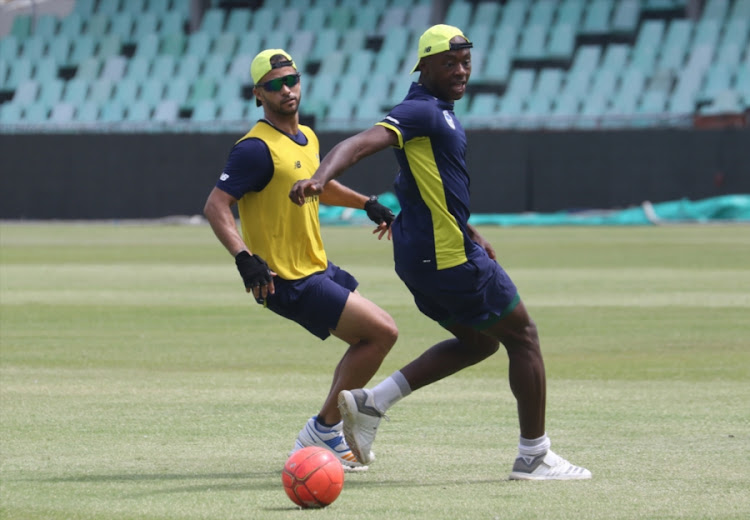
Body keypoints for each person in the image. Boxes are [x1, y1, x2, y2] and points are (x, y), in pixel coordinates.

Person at [289, 25, 591, 480]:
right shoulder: (420, 112)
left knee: (481, 340)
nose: (461, 71)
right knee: (523, 337)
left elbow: (420, 184)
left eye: (466, 62)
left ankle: (374, 403)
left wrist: (468, 227)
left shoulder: (437, 113)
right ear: (423, 67)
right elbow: (358, 144)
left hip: (423, 261)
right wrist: (319, 176)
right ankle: (534, 456)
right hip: (448, 261)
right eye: (449, 63)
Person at [203, 48, 398, 472]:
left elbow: (318, 186)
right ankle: (322, 429)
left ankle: (325, 430)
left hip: (315, 266)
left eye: (291, 79)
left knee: (368, 341)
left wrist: (367, 203)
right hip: (284, 277)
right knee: (382, 333)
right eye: (274, 85)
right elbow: (216, 206)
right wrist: (244, 259)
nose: (286, 89)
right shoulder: (254, 149)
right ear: (259, 94)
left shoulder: (307, 137)